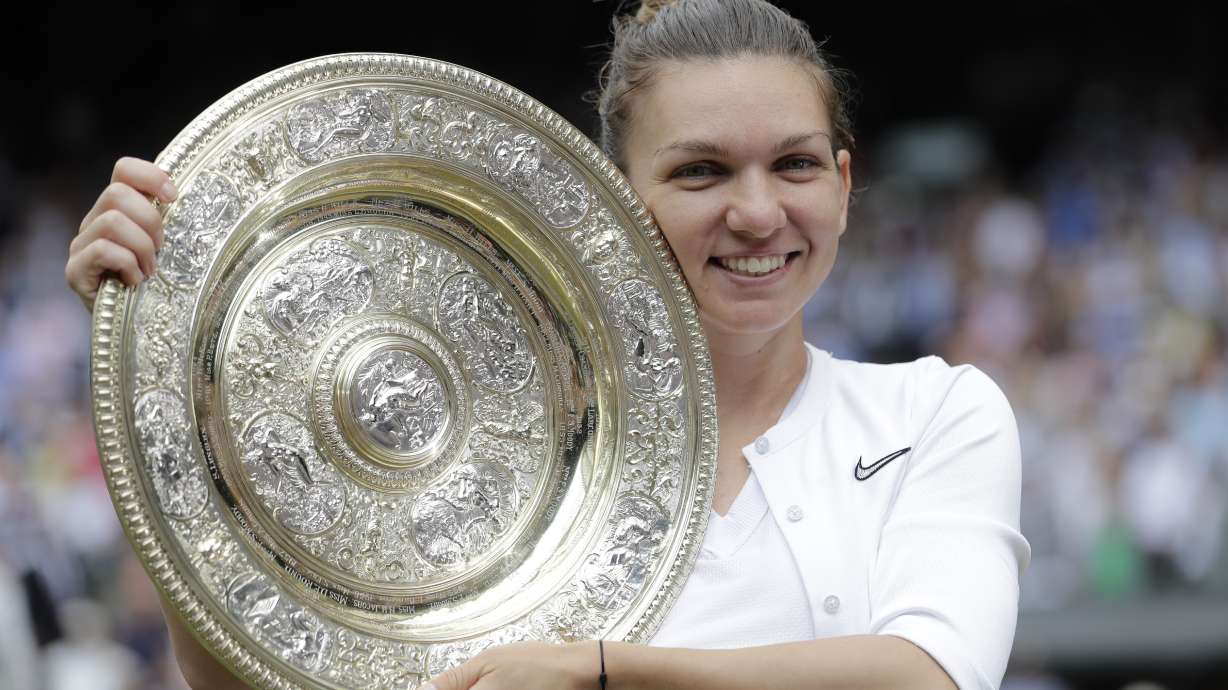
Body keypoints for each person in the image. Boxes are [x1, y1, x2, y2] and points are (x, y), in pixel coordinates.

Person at [64, 0, 1030, 688]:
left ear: (846, 183)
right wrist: (147, 381)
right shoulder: (477, 461)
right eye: (700, 172)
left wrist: (596, 672)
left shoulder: (937, 415)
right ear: (610, 198)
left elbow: (928, 675)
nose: (755, 210)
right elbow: (272, 677)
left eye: (795, 164)